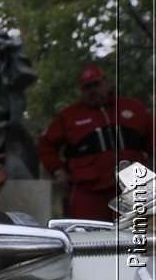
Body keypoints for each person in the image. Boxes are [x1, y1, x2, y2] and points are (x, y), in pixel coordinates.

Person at [38, 65, 154, 221]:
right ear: (82, 91)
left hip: (134, 188)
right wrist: (58, 171)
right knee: (89, 239)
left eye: (96, 84)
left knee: (141, 238)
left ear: (106, 83)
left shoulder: (134, 107)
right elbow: (45, 144)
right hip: (89, 193)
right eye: (87, 87)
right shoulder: (69, 116)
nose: (93, 90)